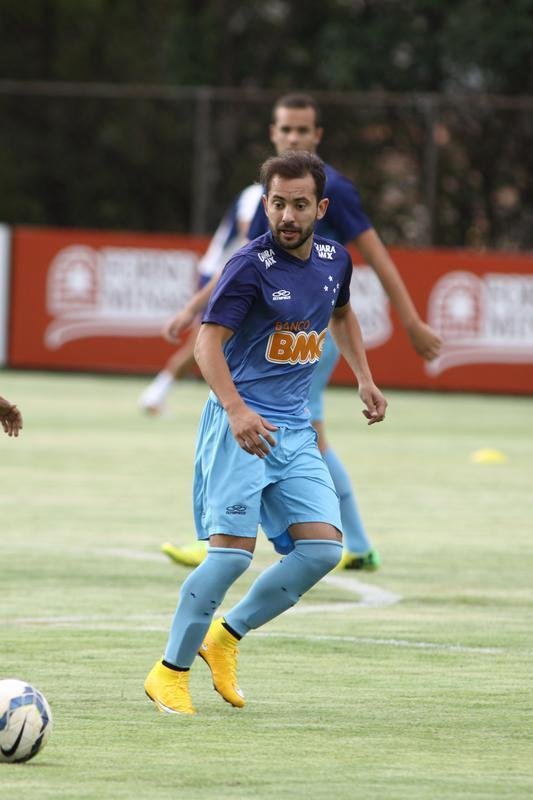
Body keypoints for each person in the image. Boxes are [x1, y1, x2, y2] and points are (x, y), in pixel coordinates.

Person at [144, 150, 387, 715]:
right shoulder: (248, 266)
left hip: (295, 428)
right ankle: (169, 672)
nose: (287, 216)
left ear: (320, 207)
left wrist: (364, 379)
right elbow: (207, 343)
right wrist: (235, 411)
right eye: (277, 203)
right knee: (229, 557)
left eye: (299, 205)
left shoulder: (335, 259)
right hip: (241, 425)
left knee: (325, 549)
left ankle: (225, 638)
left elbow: (343, 315)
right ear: (266, 204)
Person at [161, 93, 441, 571]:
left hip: (302, 337)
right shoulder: (269, 197)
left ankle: (241, 536)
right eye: (285, 129)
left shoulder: (338, 192)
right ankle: (338, 538)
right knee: (297, 434)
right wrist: (193, 306)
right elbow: (242, 270)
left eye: (301, 130)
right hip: (266, 335)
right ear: (273, 133)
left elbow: (378, 258)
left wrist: (411, 319)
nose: (293, 137)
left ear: (317, 136)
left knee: (302, 435)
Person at [138, 183, 263, 413]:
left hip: (247, 272)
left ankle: (157, 393)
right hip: (222, 272)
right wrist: (191, 308)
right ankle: (155, 393)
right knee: (206, 341)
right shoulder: (254, 195)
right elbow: (250, 241)